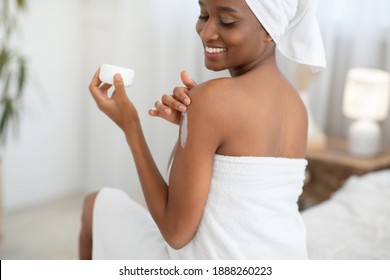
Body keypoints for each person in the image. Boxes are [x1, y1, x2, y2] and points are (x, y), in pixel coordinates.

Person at [80, 0, 326, 259]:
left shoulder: (211, 100)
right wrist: (193, 124)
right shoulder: (297, 106)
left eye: (227, 21)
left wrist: (131, 126)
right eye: (203, 14)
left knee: (94, 205)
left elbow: (175, 233)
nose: (206, 32)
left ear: (269, 30)